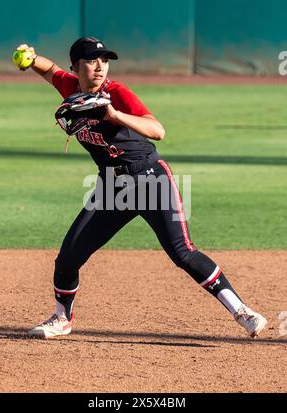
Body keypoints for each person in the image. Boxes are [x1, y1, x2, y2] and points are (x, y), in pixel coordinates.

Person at [15, 37, 267, 339]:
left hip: (150, 178)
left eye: (104, 60)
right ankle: (61, 319)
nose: (99, 67)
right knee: (68, 258)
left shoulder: (116, 93)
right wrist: (30, 59)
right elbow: (51, 70)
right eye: (91, 61)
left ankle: (242, 311)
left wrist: (114, 115)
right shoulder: (70, 88)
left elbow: (158, 131)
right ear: (76, 67)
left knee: (182, 253)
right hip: (112, 188)